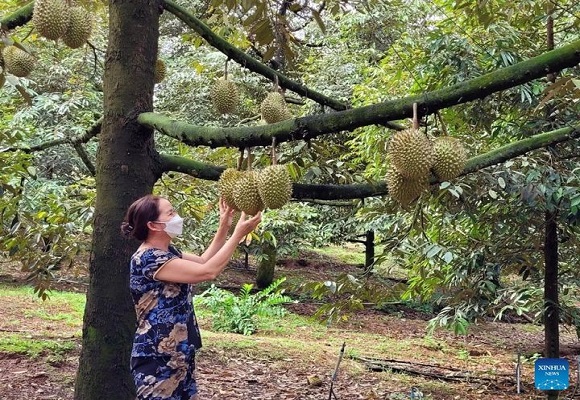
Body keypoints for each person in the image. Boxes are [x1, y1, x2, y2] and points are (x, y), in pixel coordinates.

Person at [120, 194, 261, 400]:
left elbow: (204, 259)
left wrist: (225, 226)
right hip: (157, 356)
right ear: (153, 225)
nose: (177, 217)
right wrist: (238, 235)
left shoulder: (169, 252)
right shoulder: (149, 259)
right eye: (171, 213)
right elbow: (207, 272)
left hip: (179, 352)